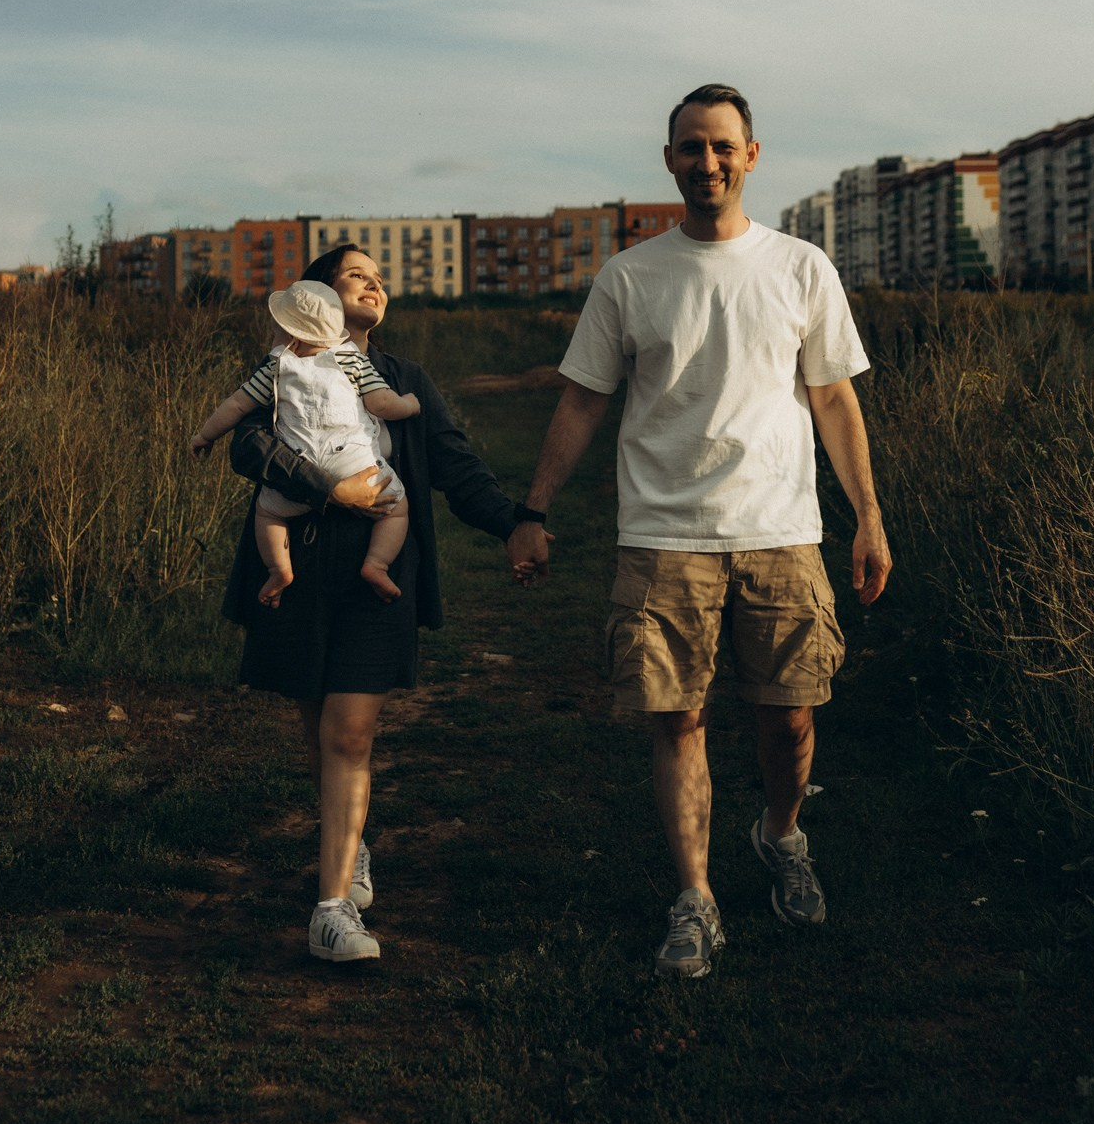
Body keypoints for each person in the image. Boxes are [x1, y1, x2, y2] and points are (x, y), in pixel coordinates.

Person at [507, 83, 892, 978]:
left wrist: (867, 517)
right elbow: (583, 399)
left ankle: (780, 834)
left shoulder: (801, 268)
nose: (706, 162)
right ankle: (697, 901)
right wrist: (533, 511)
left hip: (783, 533)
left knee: (789, 720)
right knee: (675, 721)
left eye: (722, 146)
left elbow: (835, 399)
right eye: (690, 147)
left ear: (751, 156)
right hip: (663, 539)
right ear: (670, 159)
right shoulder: (631, 276)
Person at [220, 245, 530, 965]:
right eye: (358, 275)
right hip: (294, 569)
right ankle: (349, 841)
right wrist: (330, 486)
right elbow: (245, 445)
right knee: (318, 726)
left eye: (380, 279)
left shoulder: (403, 381)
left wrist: (516, 520)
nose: (374, 285)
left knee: (350, 733)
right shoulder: (285, 366)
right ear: (318, 295)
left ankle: (329, 912)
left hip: (374, 574)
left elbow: (454, 463)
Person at [190, 278, 419, 606]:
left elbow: (237, 405)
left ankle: (279, 569)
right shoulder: (350, 357)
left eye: (276, 326)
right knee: (396, 511)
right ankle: (377, 564)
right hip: (354, 463)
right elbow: (382, 404)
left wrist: (204, 435)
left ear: (291, 332)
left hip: (299, 467)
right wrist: (411, 404)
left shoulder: (277, 366)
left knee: (267, 513)